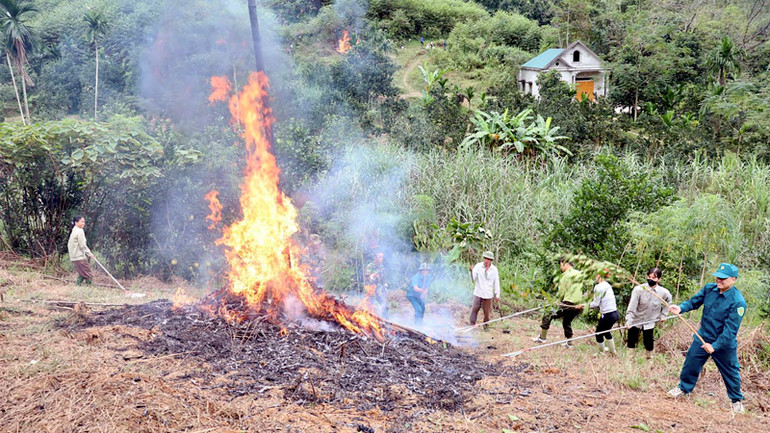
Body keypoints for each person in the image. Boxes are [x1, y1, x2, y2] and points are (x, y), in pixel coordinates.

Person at [667, 263, 747, 413]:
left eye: (723, 278)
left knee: (731, 371)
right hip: (702, 336)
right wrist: (681, 308)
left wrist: (715, 346)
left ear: (733, 279)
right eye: (718, 277)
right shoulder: (709, 289)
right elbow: (694, 302)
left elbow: (730, 332)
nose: (719, 280)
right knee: (691, 362)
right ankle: (684, 388)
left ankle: (736, 400)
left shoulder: (738, 302)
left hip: (723, 344)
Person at [533, 257, 585, 346]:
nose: (561, 268)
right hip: (578, 306)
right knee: (567, 321)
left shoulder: (565, 276)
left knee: (547, 313)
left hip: (569, 304)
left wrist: (556, 302)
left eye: (561, 265)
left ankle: (542, 338)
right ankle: (569, 343)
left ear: (565, 264)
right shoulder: (580, 274)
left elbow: (561, 293)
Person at [625, 267, 671, 358]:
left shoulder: (663, 292)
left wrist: (663, 315)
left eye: (654, 278)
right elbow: (632, 307)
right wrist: (629, 320)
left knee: (648, 342)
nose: (651, 279)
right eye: (649, 277)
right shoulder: (639, 289)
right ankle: (629, 362)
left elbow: (669, 302)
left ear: (659, 279)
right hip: (636, 319)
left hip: (650, 321)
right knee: (631, 341)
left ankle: (649, 361)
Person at [589, 268, 618, 355]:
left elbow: (595, 303)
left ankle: (601, 352)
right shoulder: (608, 285)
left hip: (607, 314)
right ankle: (613, 351)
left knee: (598, 333)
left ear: (599, 276)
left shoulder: (598, 287)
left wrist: (584, 306)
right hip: (615, 313)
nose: (595, 277)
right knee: (606, 331)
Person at [469, 251, 500, 327]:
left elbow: (496, 282)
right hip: (478, 292)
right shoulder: (478, 266)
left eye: (488, 259)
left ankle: (485, 325)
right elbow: (473, 279)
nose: (486, 261)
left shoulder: (494, 270)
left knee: (487, 311)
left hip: (488, 294)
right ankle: (472, 323)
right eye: (485, 258)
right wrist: (471, 271)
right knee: (475, 308)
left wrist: (497, 294)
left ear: (491, 260)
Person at [68, 215, 94, 285]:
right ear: (76, 222)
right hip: (79, 256)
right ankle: (89, 289)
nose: (83, 223)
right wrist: (89, 254)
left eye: (84, 222)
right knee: (88, 274)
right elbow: (82, 245)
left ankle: (77, 286)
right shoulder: (79, 231)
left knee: (82, 273)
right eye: (81, 222)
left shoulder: (74, 230)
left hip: (74, 257)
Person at [365, 252, 388, 318]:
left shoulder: (381, 266)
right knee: (370, 307)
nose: (382, 259)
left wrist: (385, 287)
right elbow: (368, 278)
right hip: (372, 290)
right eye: (380, 257)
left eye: (382, 257)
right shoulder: (370, 266)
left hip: (380, 291)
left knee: (385, 306)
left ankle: (387, 323)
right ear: (375, 258)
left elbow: (383, 279)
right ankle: (367, 322)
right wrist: (373, 276)